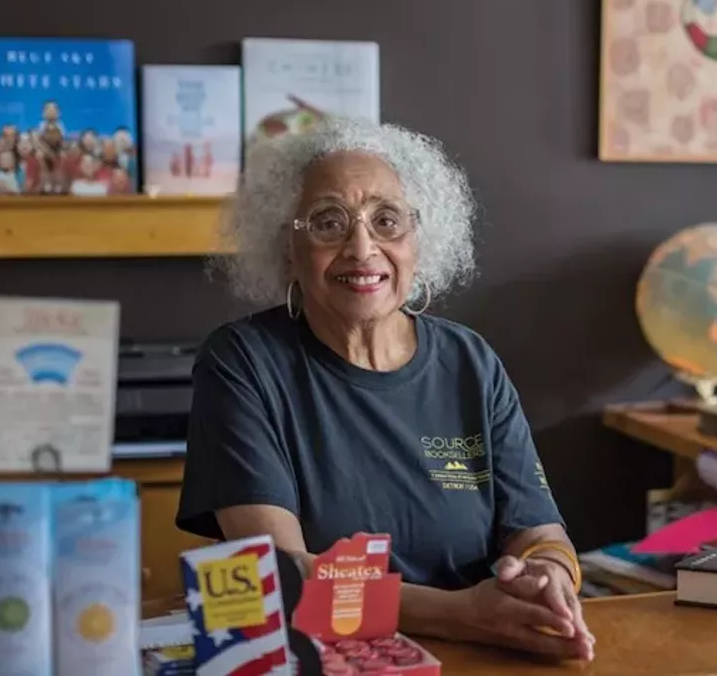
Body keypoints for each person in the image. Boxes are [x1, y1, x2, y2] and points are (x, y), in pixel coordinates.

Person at [176, 118, 594, 661]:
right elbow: (275, 574)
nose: (361, 247)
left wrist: (546, 576)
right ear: (287, 248)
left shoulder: (470, 361)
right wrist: (463, 613)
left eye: (387, 220)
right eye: (329, 222)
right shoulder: (243, 362)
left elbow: (539, 530)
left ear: (420, 240)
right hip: (330, 660)